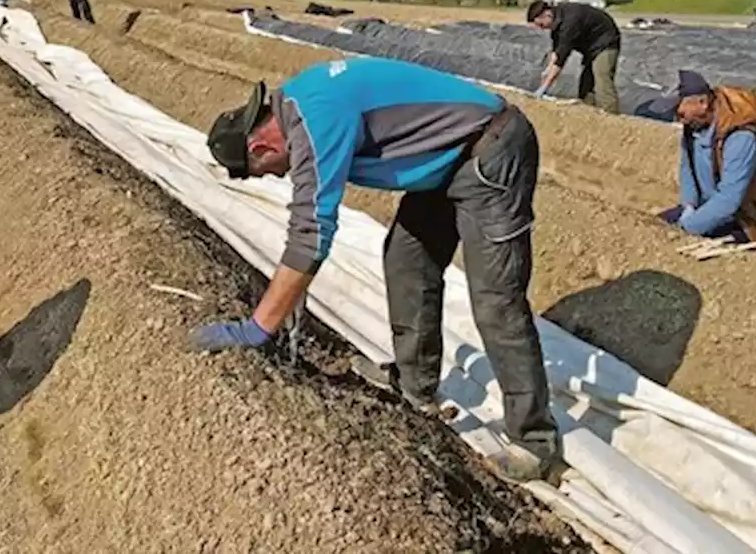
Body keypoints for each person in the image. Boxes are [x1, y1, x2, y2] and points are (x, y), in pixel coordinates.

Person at [193, 56, 561, 483]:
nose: (274, 177)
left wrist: (257, 328)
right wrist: (289, 295)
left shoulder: (313, 124)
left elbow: (311, 233)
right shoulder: (297, 105)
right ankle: (414, 384)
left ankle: (536, 440)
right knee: (405, 261)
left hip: (489, 151)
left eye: (261, 173)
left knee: (496, 300)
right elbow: (309, 232)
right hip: (443, 161)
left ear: (261, 149)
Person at [650, 70, 756, 247]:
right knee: (651, 229)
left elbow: (729, 199)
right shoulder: (693, 125)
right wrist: (689, 206)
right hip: (705, 209)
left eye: (680, 113)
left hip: (743, 221)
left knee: (671, 244)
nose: (679, 119)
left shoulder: (740, 137)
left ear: (703, 103)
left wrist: (686, 228)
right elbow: (687, 170)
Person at [526, 0, 621, 114]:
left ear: (547, 14)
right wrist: (547, 69)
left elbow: (561, 59)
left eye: (541, 24)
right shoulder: (557, 22)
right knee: (586, 85)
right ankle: (589, 114)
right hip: (590, 48)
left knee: (602, 78)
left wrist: (544, 88)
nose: (541, 28)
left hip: (606, 43)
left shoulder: (569, 22)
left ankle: (611, 116)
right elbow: (557, 51)